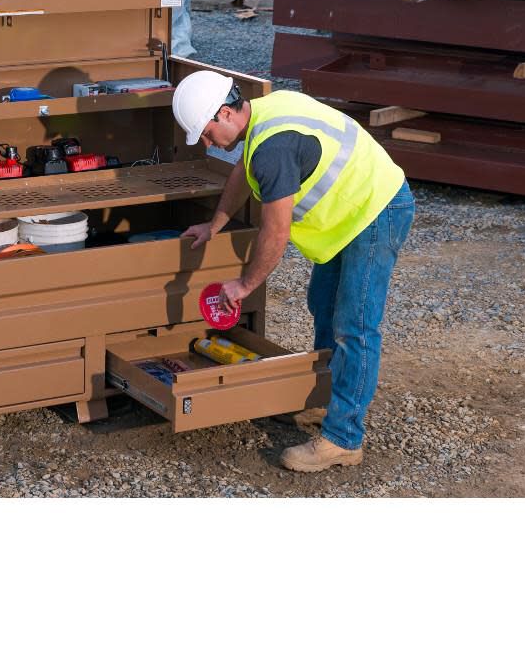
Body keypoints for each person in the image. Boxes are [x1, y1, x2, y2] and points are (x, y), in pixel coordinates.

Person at [173, 70, 415, 472]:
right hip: (349, 215)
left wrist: (245, 284)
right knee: (323, 305)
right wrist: (215, 223)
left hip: (376, 211)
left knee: (354, 327)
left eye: (204, 132)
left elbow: (276, 230)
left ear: (225, 113)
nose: (205, 142)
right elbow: (241, 173)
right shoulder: (264, 113)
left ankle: (344, 439)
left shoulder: (274, 148)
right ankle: (323, 401)